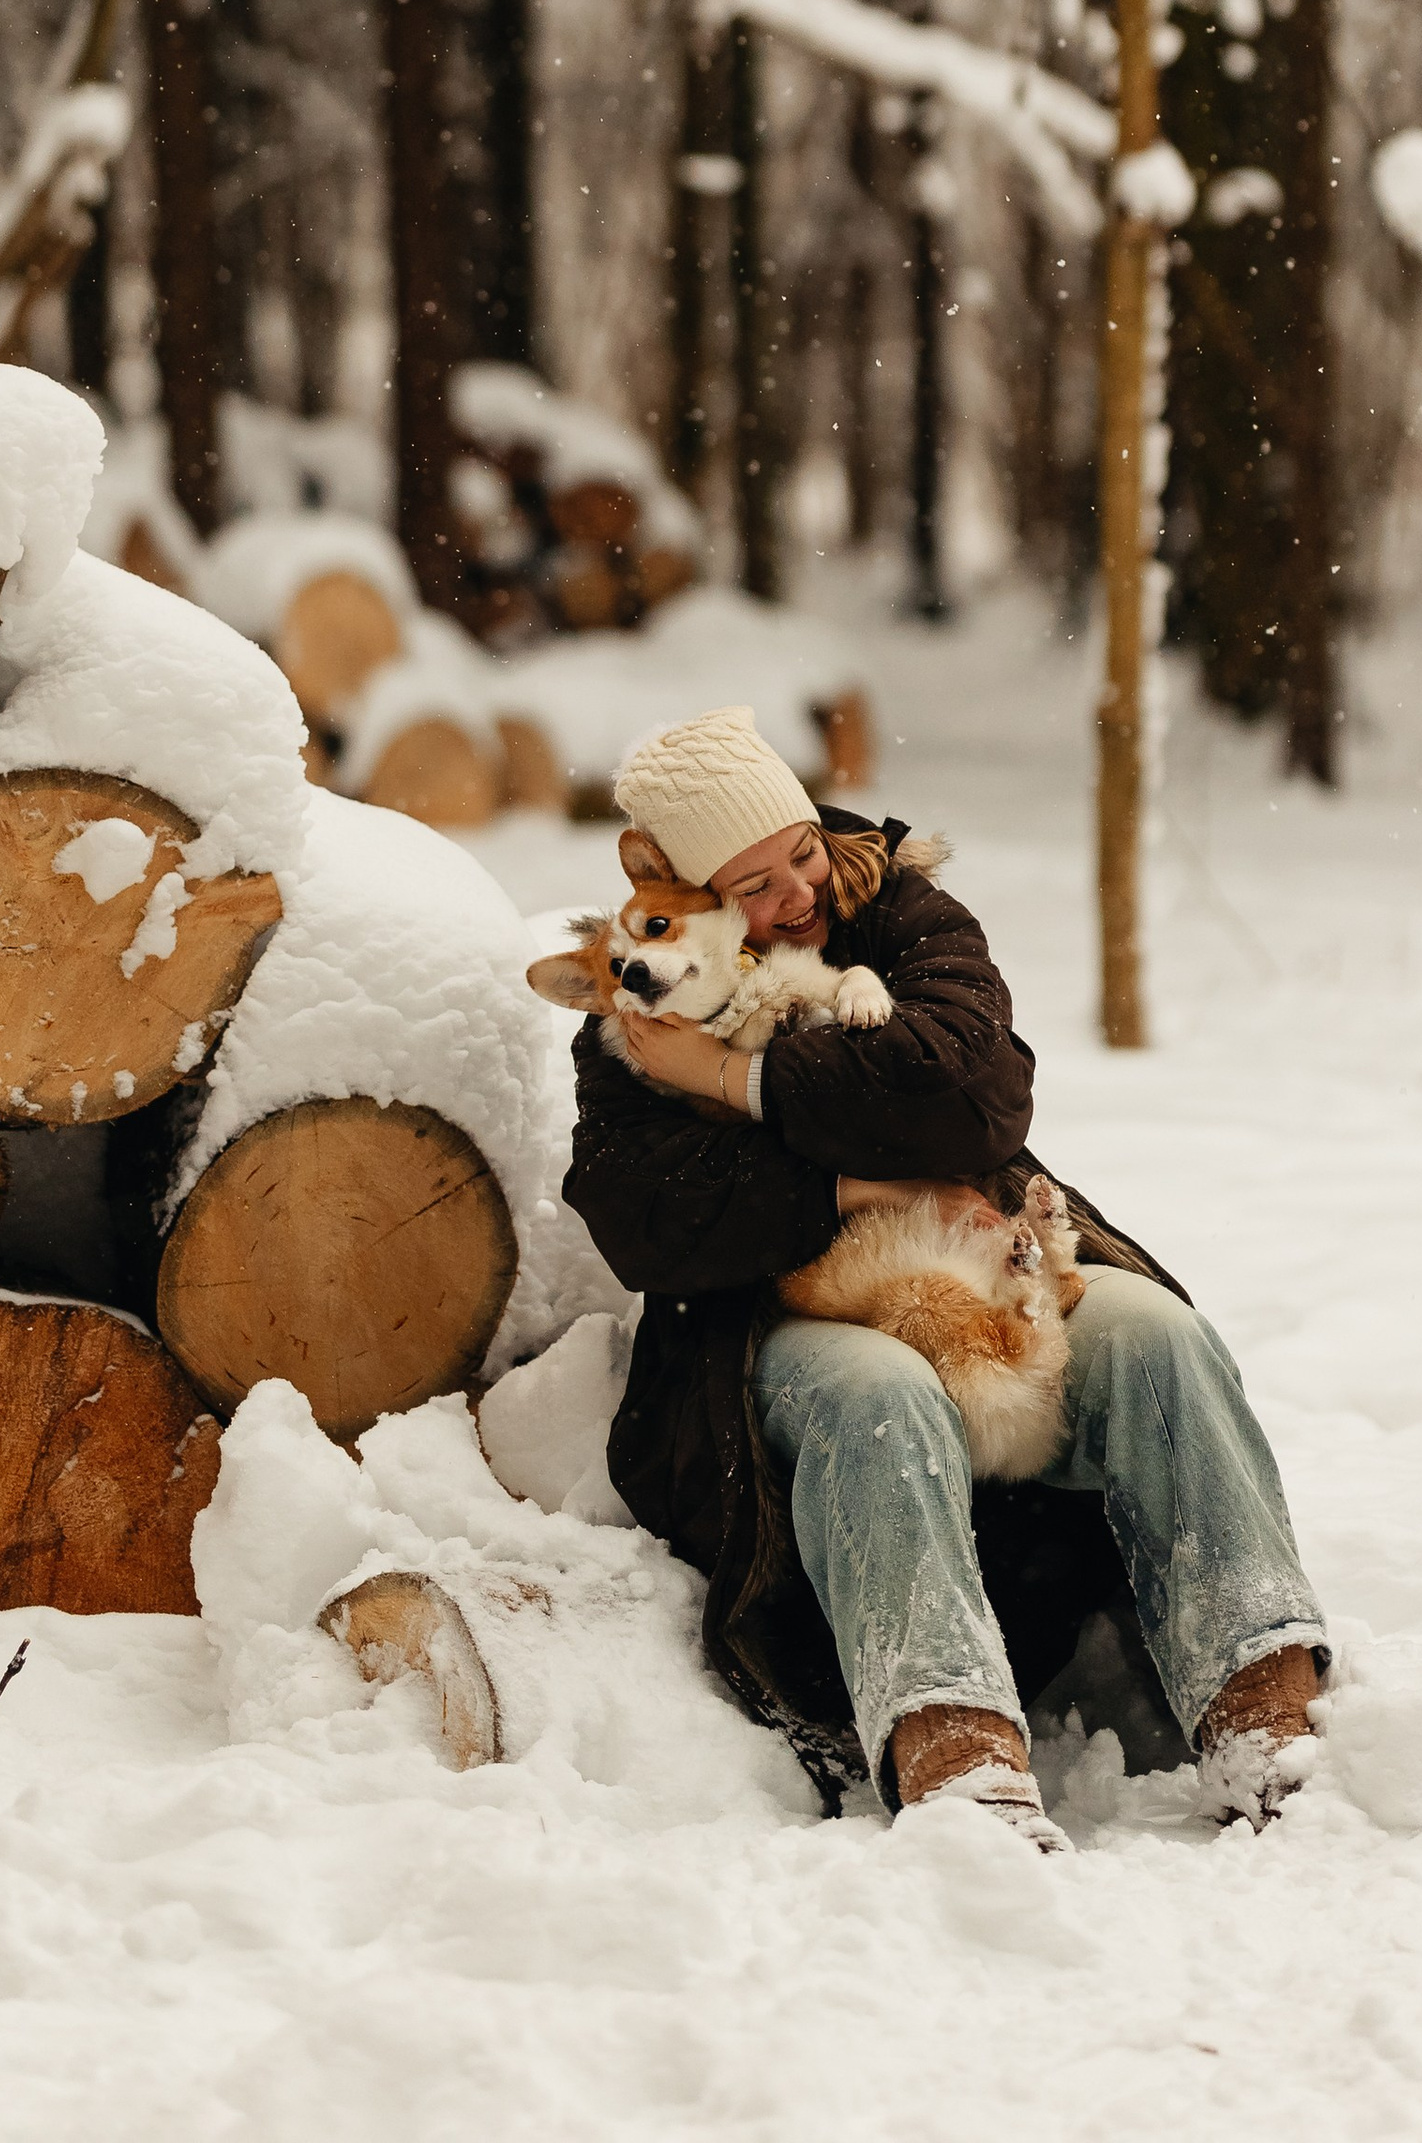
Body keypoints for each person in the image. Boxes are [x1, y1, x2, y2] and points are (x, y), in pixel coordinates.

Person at [562, 703, 1328, 1849]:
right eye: (754, 886)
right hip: (785, 1315)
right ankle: (955, 1745)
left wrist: (741, 1089)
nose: (796, 897)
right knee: (880, 1398)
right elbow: (653, 1216)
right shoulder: (641, 999)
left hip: (977, 1258)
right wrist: (858, 1188)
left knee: (1155, 1338)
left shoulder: (905, 911)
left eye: (801, 855)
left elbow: (967, 1090)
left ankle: (1261, 1696)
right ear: (692, 893)